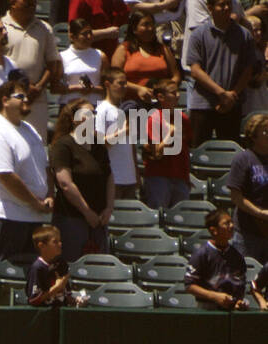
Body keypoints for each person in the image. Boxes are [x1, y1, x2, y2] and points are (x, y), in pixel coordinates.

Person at [0, 75, 54, 291]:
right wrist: (35, 202)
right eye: (20, 96)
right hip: (7, 216)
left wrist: (49, 194)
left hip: (34, 214)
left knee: (33, 275)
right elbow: (5, 176)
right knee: (2, 274)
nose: (26, 100)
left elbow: (45, 168)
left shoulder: (29, 130)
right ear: (4, 100)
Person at [49, 96, 114, 260]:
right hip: (72, 219)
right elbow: (65, 183)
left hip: (99, 221)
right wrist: (87, 212)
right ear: (74, 118)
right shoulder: (63, 145)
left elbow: (109, 177)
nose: (92, 116)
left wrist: (109, 208)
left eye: (94, 113)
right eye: (87, 113)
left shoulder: (98, 145)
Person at [187, 0, 258, 146]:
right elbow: (195, 70)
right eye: (221, 5)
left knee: (229, 151)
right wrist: (221, 93)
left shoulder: (244, 35)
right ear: (210, 7)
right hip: (203, 104)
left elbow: (248, 69)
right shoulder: (198, 35)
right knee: (198, 150)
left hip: (232, 105)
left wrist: (232, 95)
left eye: (228, 4)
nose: (226, 8)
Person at [3, 0, 62, 140]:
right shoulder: (1, 27)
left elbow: (52, 63)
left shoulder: (44, 28)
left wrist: (38, 88)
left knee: (36, 143)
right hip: (9, 97)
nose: (32, 5)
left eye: (34, 3)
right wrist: (22, 86)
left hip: (36, 99)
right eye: (27, 2)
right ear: (12, 3)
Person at [141, 75, 191, 207]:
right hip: (159, 176)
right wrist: (170, 135)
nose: (178, 95)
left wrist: (186, 177)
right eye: (173, 93)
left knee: (179, 218)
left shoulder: (183, 119)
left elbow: (186, 150)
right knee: (159, 214)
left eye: (178, 91)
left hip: (180, 176)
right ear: (161, 97)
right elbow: (156, 153)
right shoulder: (154, 119)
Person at [184, 205, 249, 304]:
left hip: (231, 309)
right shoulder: (202, 254)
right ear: (214, 230)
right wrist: (213, 296)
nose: (231, 226)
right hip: (207, 309)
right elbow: (189, 286)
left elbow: (240, 285)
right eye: (226, 223)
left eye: (232, 222)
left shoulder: (236, 255)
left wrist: (238, 302)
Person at [227, 111, 268, 262]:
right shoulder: (243, 159)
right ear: (254, 135)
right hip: (248, 232)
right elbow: (236, 197)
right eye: (265, 130)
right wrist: (260, 213)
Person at [95, 67, 139, 199]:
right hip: (113, 177)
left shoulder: (124, 109)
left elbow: (131, 145)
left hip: (129, 177)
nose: (124, 87)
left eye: (125, 83)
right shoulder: (102, 109)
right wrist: (123, 131)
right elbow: (100, 143)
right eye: (120, 83)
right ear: (107, 84)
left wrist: (135, 170)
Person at [111, 9, 179, 88]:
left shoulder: (163, 49)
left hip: (160, 97)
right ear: (134, 29)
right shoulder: (124, 49)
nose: (150, 28)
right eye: (145, 25)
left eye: (152, 24)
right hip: (131, 98)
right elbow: (114, 78)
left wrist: (165, 88)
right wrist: (138, 89)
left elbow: (176, 75)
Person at [59, 16, 106, 105]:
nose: (89, 37)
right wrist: (77, 88)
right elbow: (55, 88)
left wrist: (92, 89)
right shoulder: (62, 56)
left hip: (94, 105)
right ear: (72, 36)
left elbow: (107, 86)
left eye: (90, 33)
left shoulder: (100, 56)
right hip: (69, 106)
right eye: (84, 34)